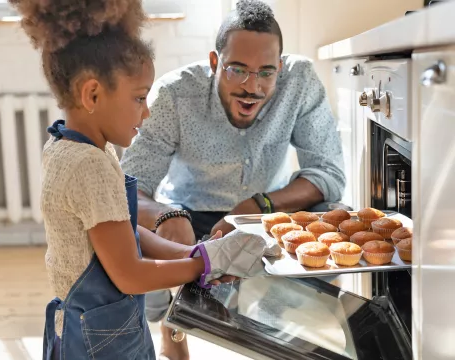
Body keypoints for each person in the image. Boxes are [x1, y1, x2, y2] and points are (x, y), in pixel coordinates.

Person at [8, 1, 272, 359]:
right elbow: (129, 275)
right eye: (139, 97)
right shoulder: (91, 166)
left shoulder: (70, 146)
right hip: (101, 340)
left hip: (89, 324)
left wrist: (193, 252)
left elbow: (122, 232)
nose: (147, 112)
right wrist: (205, 265)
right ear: (93, 94)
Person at [121, 0, 346, 358]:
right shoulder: (174, 94)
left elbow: (329, 173)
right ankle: (172, 322)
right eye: (237, 69)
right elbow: (129, 187)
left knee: (332, 213)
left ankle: (274, 321)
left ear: (281, 68)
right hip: (187, 216)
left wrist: (259, 204)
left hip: (263, 215)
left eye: (266, 73)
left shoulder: (299, 81)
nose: (251, 87)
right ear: (215, 63)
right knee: (129, 232)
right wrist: (167, 216)